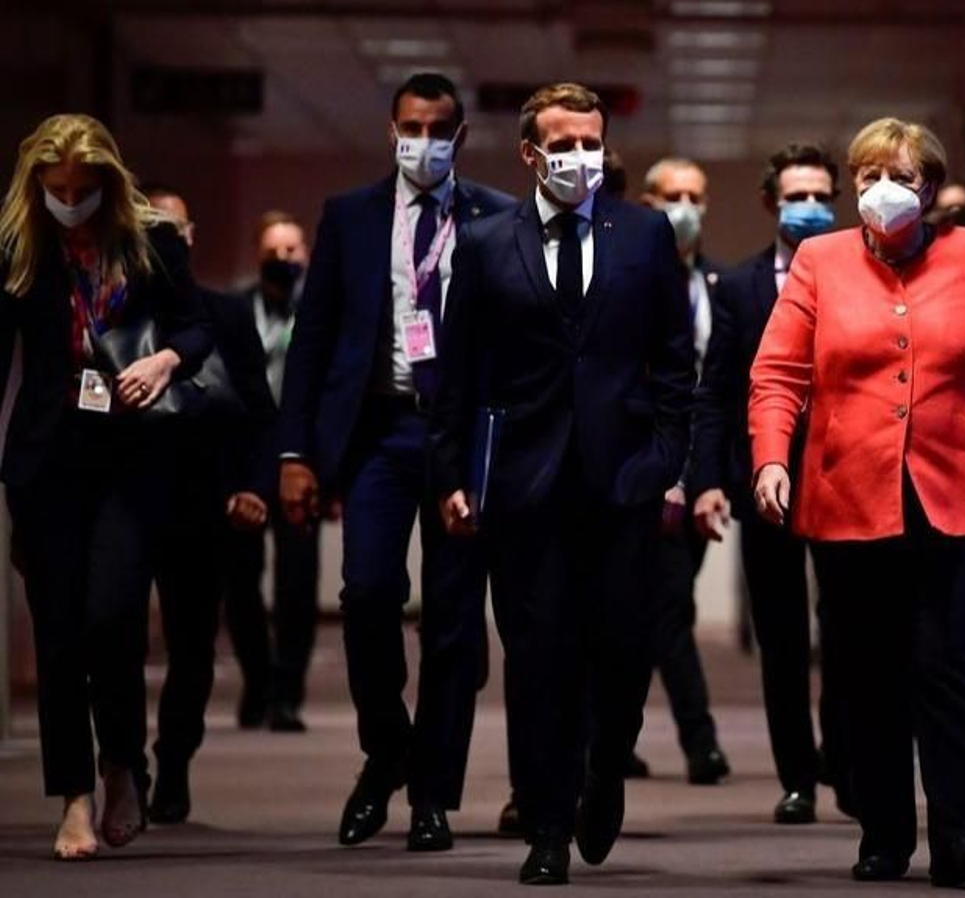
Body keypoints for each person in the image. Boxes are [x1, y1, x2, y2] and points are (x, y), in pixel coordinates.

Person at [748, 117, 965, 887]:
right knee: (869, 676)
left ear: (930, 189)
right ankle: (885, 836)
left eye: (901, 176)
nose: (883, 190)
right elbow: (777, 373)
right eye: (867, 177)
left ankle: (962, 834)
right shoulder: (820, 261)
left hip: (959, 496)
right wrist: (770, 461)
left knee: (951, 670)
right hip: (850, 499)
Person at [429, 81, 695, 886]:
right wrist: (454, 476)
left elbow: (677, 361)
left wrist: (665, 460)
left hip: (622, 480)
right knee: (539, 658)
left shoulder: (643, 235)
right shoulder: (483, 242)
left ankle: (605, 765)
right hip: (525, 485)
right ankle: (547, 824)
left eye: (592, 142)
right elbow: (459, 373)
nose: (581, 157)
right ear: (529, 153)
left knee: (622, 650)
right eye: (565, 144)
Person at [276, 71, 515, 852]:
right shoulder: (349, 218)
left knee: (452, 626)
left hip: (460, 440)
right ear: (391, 130)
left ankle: (433, 797)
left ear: (460, 136)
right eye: (411, 127)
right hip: (379, 432)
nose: (424, 142)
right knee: (369, 592)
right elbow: (312, 343)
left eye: (438, 129)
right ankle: (387, 754)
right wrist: (295, 452)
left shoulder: (495, 218)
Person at [0, 114, 213, 859]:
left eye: (82, 190)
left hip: (130, 456)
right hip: (47, 461)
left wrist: (165, 364)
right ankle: (74, 799)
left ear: (107, 185)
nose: (69, 202)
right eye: (55, 189)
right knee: (58, 632)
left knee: (112, 616)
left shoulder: (148, 240)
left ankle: (122, 759)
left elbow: (197, 326)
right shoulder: (19, 247)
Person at [689, 141, 852, 824]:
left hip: (848, 478)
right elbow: (717, 389)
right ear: (770, 202)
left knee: (845, 628)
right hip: (768, 480)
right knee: (780, 635)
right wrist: (706, 480)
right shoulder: (743, 287)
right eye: (798, 195)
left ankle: (842, 756)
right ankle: (797, 778)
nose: (811, 207)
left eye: (821, 195)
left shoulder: (861, 274)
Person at [142, 185, 277, 825]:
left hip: (203, 502)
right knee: (108, 630)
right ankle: (120, 762)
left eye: (171, 232)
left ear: (190, 239)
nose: (161, 244)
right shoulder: (114, 313)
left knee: (191, 643)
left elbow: (257, 411)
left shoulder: (223, 316)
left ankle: (172, 762)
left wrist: (255, 487)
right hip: (130, 494)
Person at [637, 155, 730, 785]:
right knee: (664, 606)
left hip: (700, 466)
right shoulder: (628, 276)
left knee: (660, 607)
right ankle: (700, 742)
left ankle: (609, 736)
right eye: (673, 194)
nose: (686, 206)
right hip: (638, 465)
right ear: (647, 203)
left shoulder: (718, 285)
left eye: (696, 194)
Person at [223, 210, 322, 734]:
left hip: (300, 456)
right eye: (274, 252)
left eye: (292, 251)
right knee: (240, 579)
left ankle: (287, 693)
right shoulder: (236, 308)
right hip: (244, 456)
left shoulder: (319, 309)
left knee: (297, 581)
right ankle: (256, 681)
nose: (284, 260)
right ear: (259, 256)